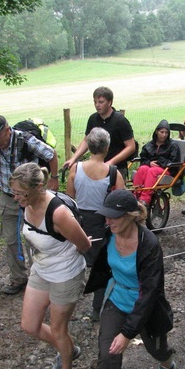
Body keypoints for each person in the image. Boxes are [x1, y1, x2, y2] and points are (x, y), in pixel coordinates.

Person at [83, 189, 175, 369]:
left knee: (157, 351)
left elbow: (148, 294)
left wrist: (128, 333)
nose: (107, 221)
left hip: (146, 306)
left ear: (131, 215)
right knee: (108, 352)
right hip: (117, 298)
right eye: (106, 216)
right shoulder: (108, 235)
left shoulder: (150, 245)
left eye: (113, 217)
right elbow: (98, 261)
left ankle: (168, 367)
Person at [10, 163, 91, 369]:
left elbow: (84, 245)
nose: (16, 198)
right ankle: (67, 349)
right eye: (13, 192)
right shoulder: (27, 202)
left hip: (66, 274)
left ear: (38, 188)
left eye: (20, 193)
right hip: (41, 269)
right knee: (29, 325)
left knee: (58, 329)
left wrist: (63, 257)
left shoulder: (58, 213)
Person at [0, 114, 59, 295]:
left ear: (7, 131)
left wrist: (54, 178)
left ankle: (38, 278)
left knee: (34, 239)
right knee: (11, 240)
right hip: (7, 198)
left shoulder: (26, 141)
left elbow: (51, 154)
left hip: (29, 199)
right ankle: (18, 278)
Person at [66, 127, 125, 322]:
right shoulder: (113, 173)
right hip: (103, 224)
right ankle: (97, 308)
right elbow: (122, 203)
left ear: (89, 146)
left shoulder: (75, 168)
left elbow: (70, 198)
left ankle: (66, 305)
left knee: (76, 265)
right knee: (102, 268)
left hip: (80, 223)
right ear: (107, 147)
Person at [63, 86, 136, 180]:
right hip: (96, 167)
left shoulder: (120, 121)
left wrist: (110, 163)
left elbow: (131, 147)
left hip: (116, 168)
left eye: (101, 102)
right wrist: (74, 158)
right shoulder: (93, 119)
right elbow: (86, 141)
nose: (97, 105)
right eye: (95, 102)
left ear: (110, 102)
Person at [132, 120, 181, 207]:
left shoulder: (173, 146)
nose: (164, 135)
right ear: (156, 131)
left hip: (168, 169)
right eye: (162, 132)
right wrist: (149, 162)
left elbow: (174, 162)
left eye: (166, 132)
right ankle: (135, 194)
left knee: (152, 171)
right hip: (151, 167)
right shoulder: (149, 145)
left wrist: (159, 161)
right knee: (143, 168)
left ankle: (145, 199)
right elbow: (143, 159)